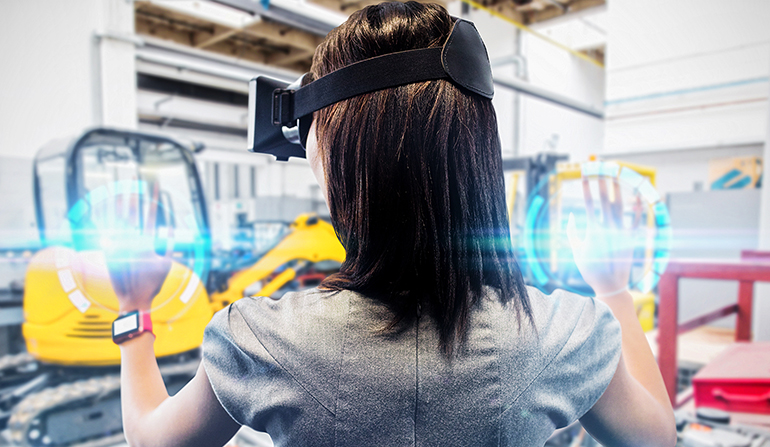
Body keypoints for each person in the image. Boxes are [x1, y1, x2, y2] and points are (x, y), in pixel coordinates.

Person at [108, 2, 676, 446]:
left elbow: (153, 438)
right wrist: (614, 288)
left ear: (338, 166)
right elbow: (656, 439)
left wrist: (133, 309)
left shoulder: (260, 339)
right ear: (478, 153)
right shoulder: (563, 334)